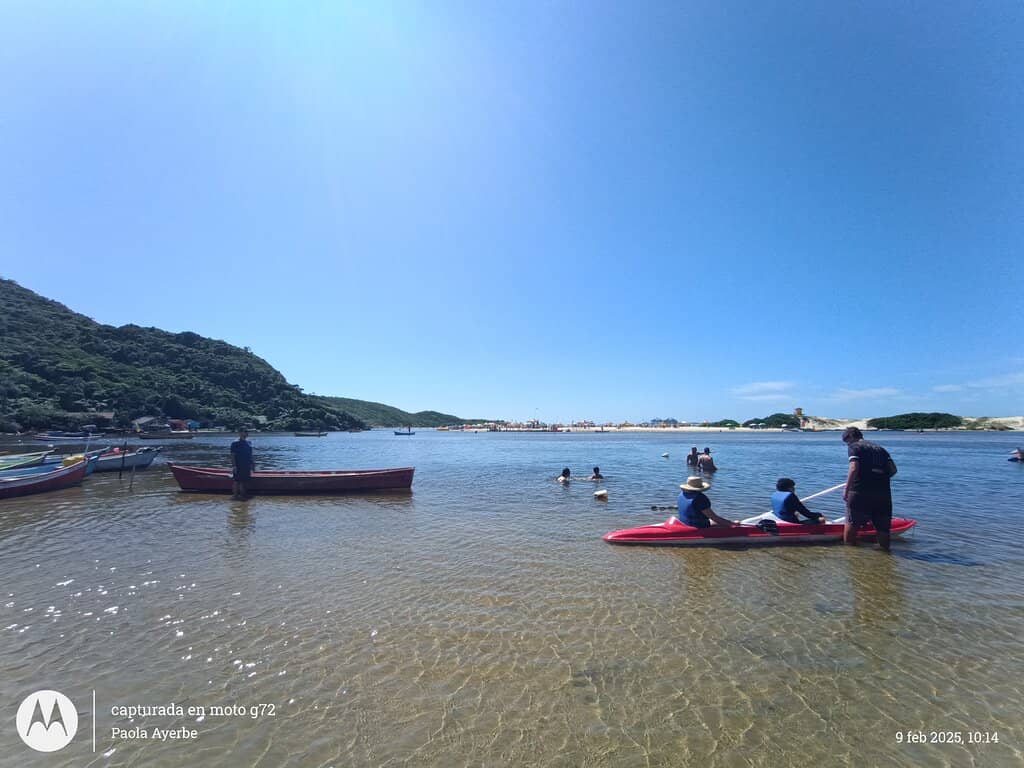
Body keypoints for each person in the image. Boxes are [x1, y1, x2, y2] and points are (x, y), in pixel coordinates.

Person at [841, 427, 897, 551]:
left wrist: (846, 489)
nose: (847, 444)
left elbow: (854, 468)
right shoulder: (881, 449)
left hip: (860, 491)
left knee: (852, 523)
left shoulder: (855, 447)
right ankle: (885, 555)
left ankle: (850, 553)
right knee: (883, 527)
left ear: (851, 437)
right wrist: (878, 478)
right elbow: (893, 470)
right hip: (883, 493)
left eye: (847, 441)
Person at [230, 428, 254, 499]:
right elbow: (232, 455)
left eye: (247, 431)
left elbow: (250, 455)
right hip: (238, 465)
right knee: (237, 481)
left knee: (244, 481)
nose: (247, 433)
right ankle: (235, 496)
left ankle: (243, 495)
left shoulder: (249, 442)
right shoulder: (235, 443)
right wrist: (234, 466)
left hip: (246, 465)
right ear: (240, 433)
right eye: (245, 432)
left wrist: (252, 464)